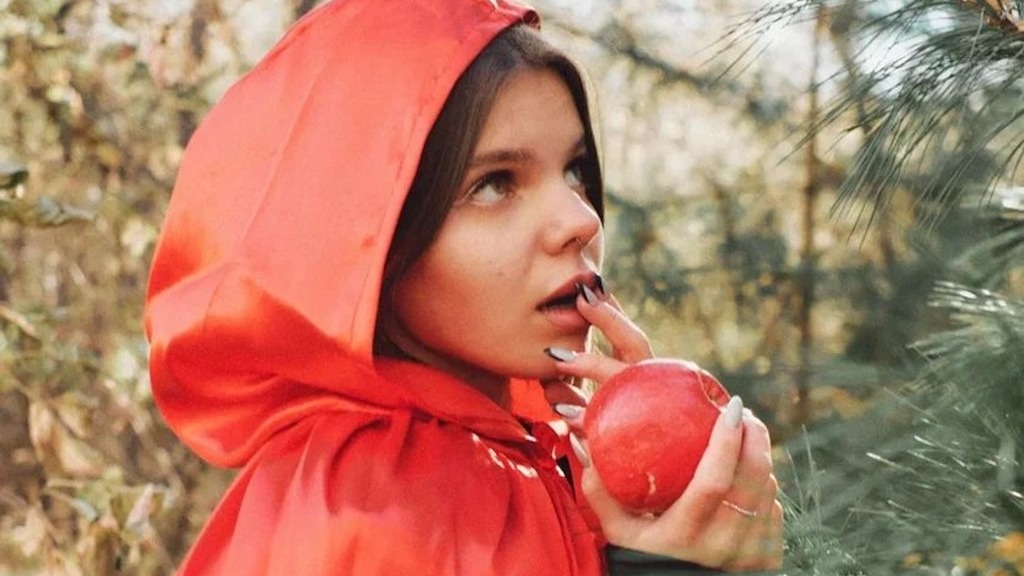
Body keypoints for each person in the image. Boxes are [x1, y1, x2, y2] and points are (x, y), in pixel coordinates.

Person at [144, 0, 784, 574]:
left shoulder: (539, 468)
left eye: (575, 171)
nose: (581, 220)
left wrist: (653, 479)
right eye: (495, 184)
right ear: (372, 243)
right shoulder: (374, 504)